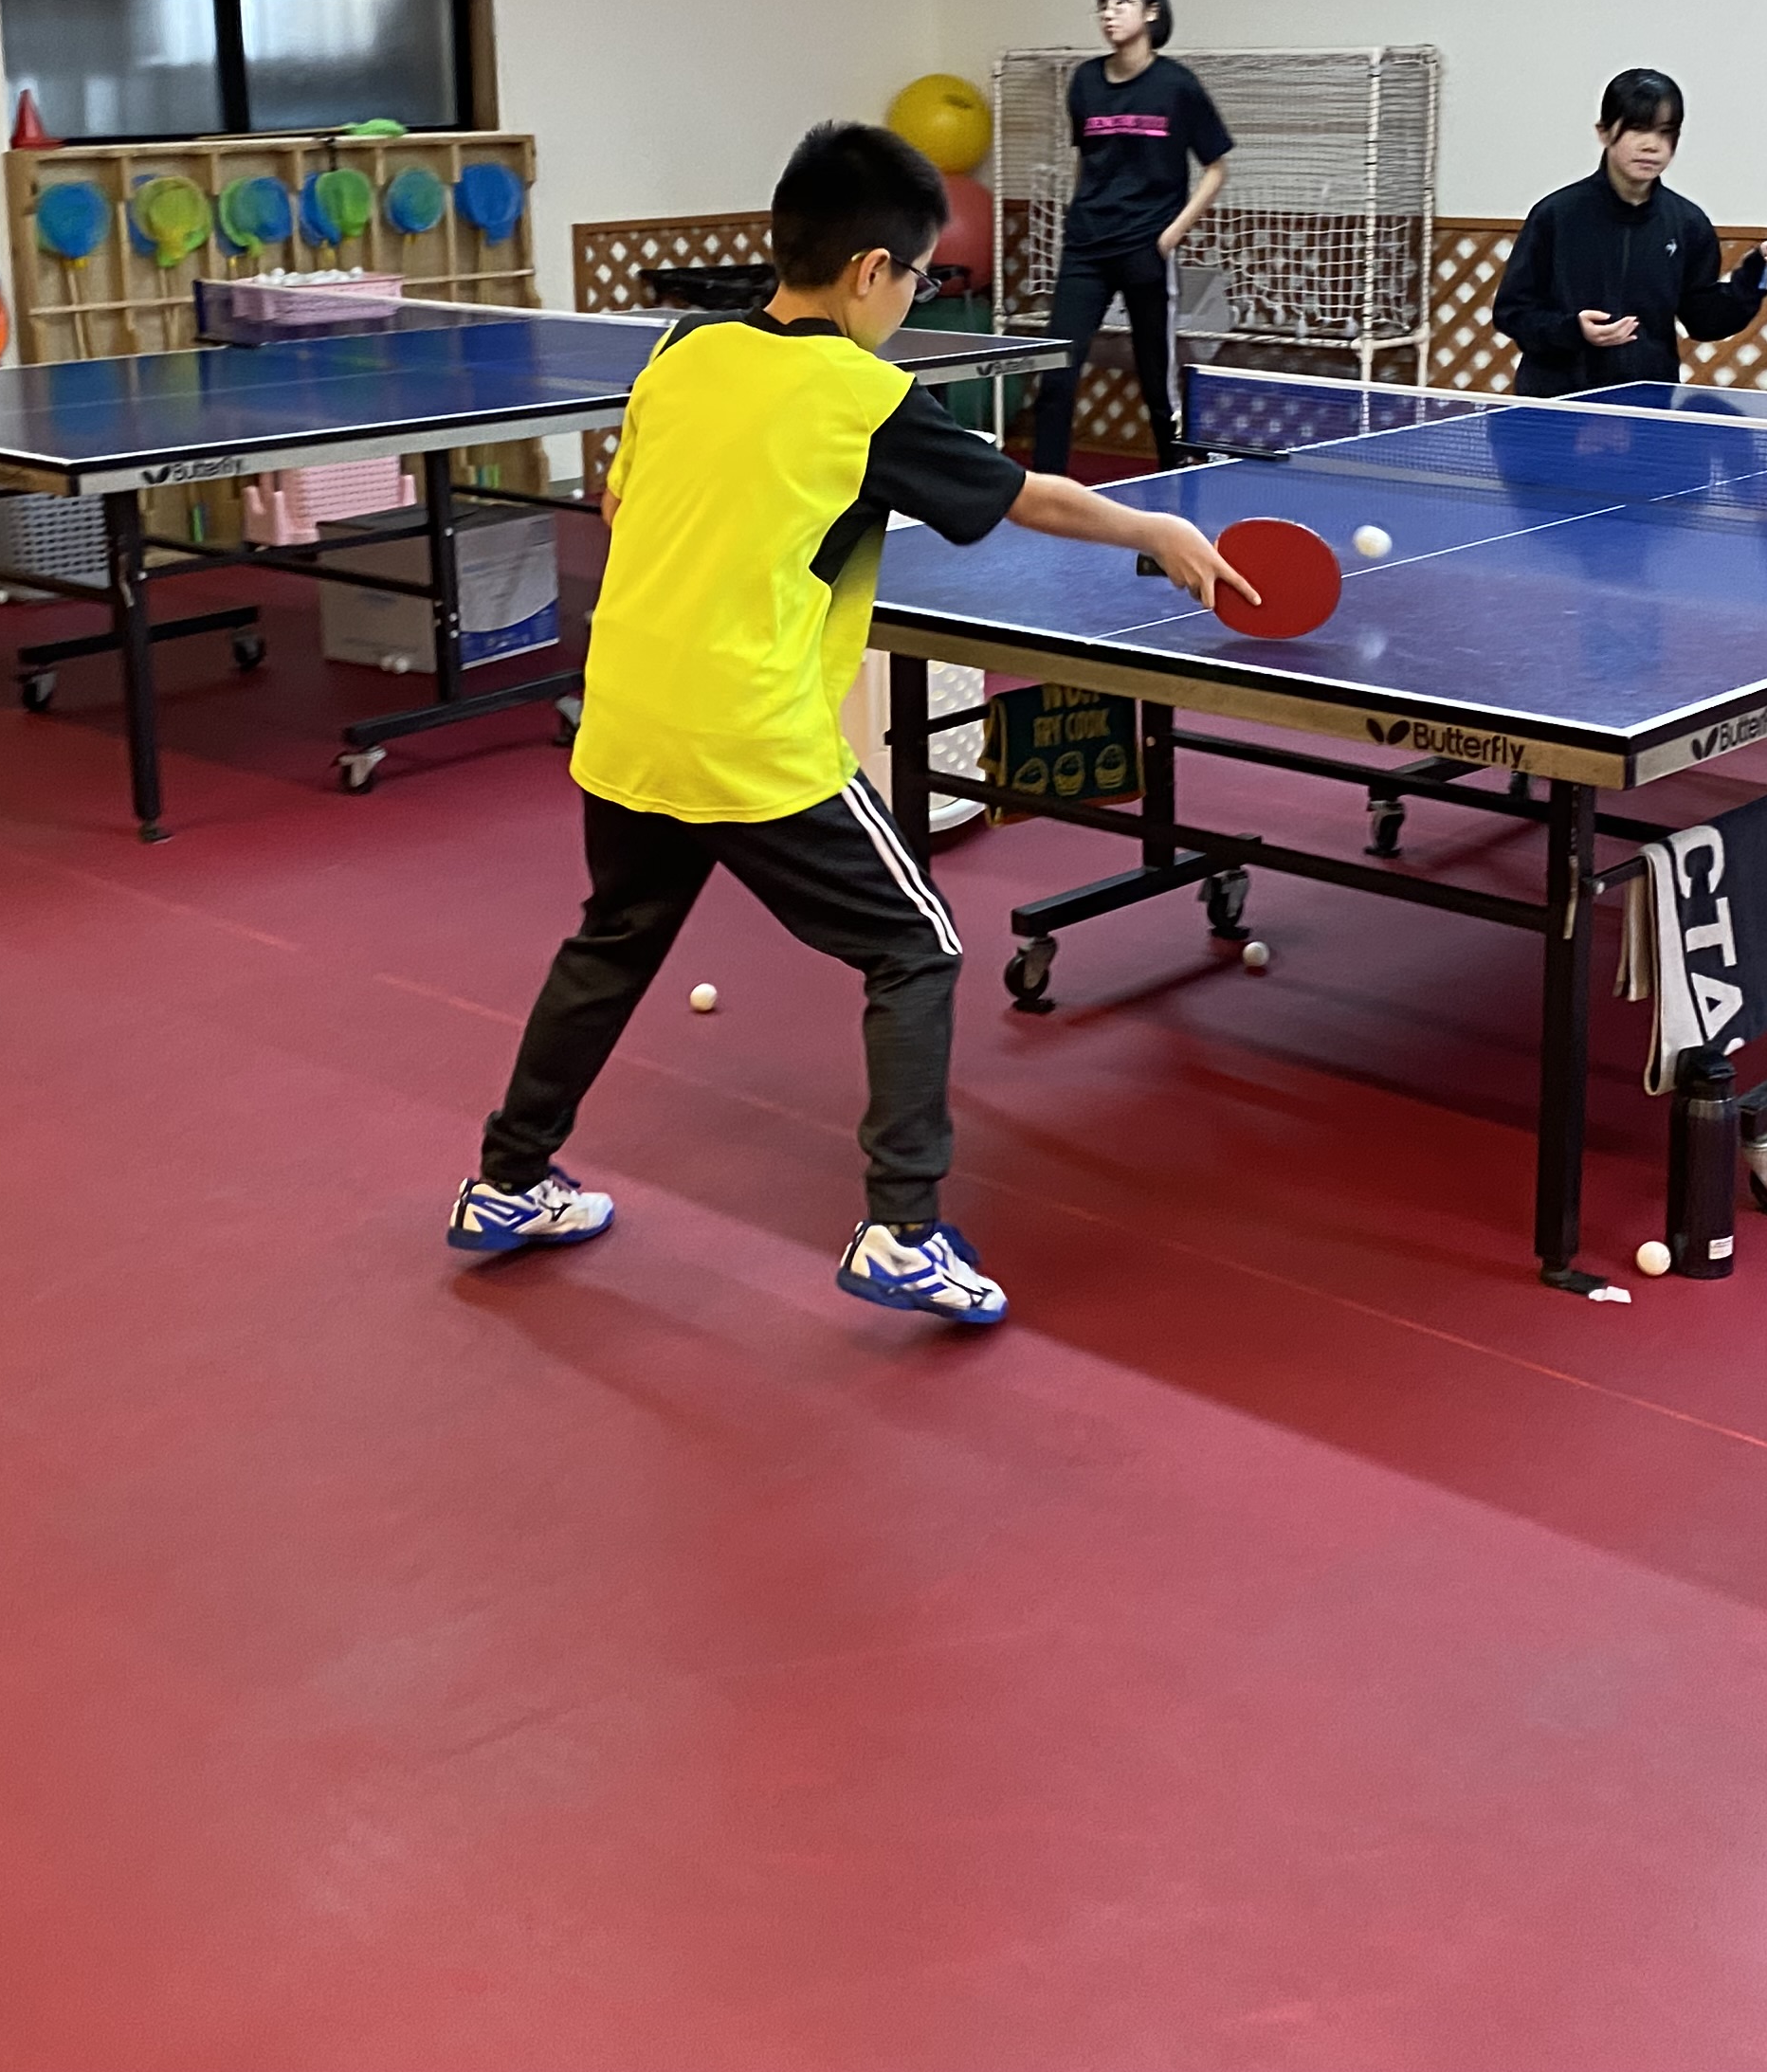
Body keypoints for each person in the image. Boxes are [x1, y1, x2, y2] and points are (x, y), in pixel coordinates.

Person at [450, 120, 1248, 1323]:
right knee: (915, 947)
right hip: (750, 736)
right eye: (917, 275)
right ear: (873, 269)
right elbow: (1027, 498)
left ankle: (508, 1180)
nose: (913, 296)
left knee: (613, 938)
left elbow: (622, 508)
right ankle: (902, 1230)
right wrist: (1158, 527)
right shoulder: (862, 396)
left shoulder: (683, 353)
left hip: (624, 714)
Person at [1026, 0, 1231, 473]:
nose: (1109, 13)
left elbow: (1216, 168)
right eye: (1103, 5)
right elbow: (1087, 159)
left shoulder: (1177, 85)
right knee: (1055, 373)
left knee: (1157, 383)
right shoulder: (1085, 81)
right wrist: (1079, 213)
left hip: (1146, 249)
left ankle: (1176, 478)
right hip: (1086, 248)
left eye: (1122, 3)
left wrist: (1170, 235)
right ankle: (1047, 489)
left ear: (1152, 13)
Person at [1489, 68, 1767, 397]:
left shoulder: (1688, 223)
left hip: (1647, 404)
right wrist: (1572, 330)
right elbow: (1513, 313)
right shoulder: (1556, 215)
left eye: (1665, 132)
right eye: (1638, 128)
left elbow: (1704, 322)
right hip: (1559, 404)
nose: (1652, 145)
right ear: (1604, 132)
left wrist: (1753, 279)